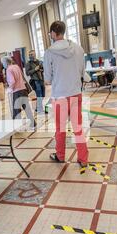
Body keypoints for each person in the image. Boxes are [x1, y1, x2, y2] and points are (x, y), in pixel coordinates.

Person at [44, 21, 89, 168]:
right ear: (63, 31)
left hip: (60, 95)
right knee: (78, 128)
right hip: (76, 93)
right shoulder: (78, 48)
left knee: (60, 129)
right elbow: (83, 71)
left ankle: (60, 156)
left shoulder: (49, 52)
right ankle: (83, 159)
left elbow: (47, 79)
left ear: (53, 33)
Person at [4, 56, 35, 127]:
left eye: (3, 63)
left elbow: (12, 81)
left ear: (6, 63)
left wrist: (9, 89)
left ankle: (16, 126)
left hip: (17, 92)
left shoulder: (9, 69)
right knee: (27, 108)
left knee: (16, 110)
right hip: (23, 90)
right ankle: (33, 123)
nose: (3, 65)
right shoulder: (16, 66)